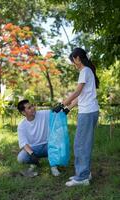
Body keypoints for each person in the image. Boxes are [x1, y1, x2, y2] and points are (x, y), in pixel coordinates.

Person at [53, 47, 99, 186]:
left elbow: (77, 92)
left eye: (73, 60)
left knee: (80, 145)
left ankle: (82, 178)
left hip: (87, 113)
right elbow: (82, 97)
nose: (73, 63)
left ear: (78, 58)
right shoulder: (88, 71)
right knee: (83, 144)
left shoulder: (84, 71)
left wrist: (61, 104)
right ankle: (85, 173)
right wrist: (67, 109)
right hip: (90, 111)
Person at [17, 99, 68, 177]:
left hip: (48, 145)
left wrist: (72, 102)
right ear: (23, 113)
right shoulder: (21, 125)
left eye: (32, 106)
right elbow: (23, 143)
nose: (33, 108)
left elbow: (59, 112)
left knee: (59, 145)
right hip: (34, 149)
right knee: (21, 158)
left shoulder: (44, 114)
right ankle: (34, 163)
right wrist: (32, 154)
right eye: (29, 108)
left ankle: (53, 166)